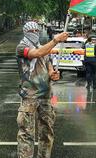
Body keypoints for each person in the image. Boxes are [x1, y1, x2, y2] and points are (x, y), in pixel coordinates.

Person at [16, 21, 68, 158]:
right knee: (26, 134)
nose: (35, 33)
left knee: (47, 133)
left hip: (45, 96)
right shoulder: (22, 47)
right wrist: (56, 40)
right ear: (26, 32)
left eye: (37, 31)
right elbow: (37, 53)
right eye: (32, 31)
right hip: (29, 97)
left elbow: (48, 65)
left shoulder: (44, 49)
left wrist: (53, 74)